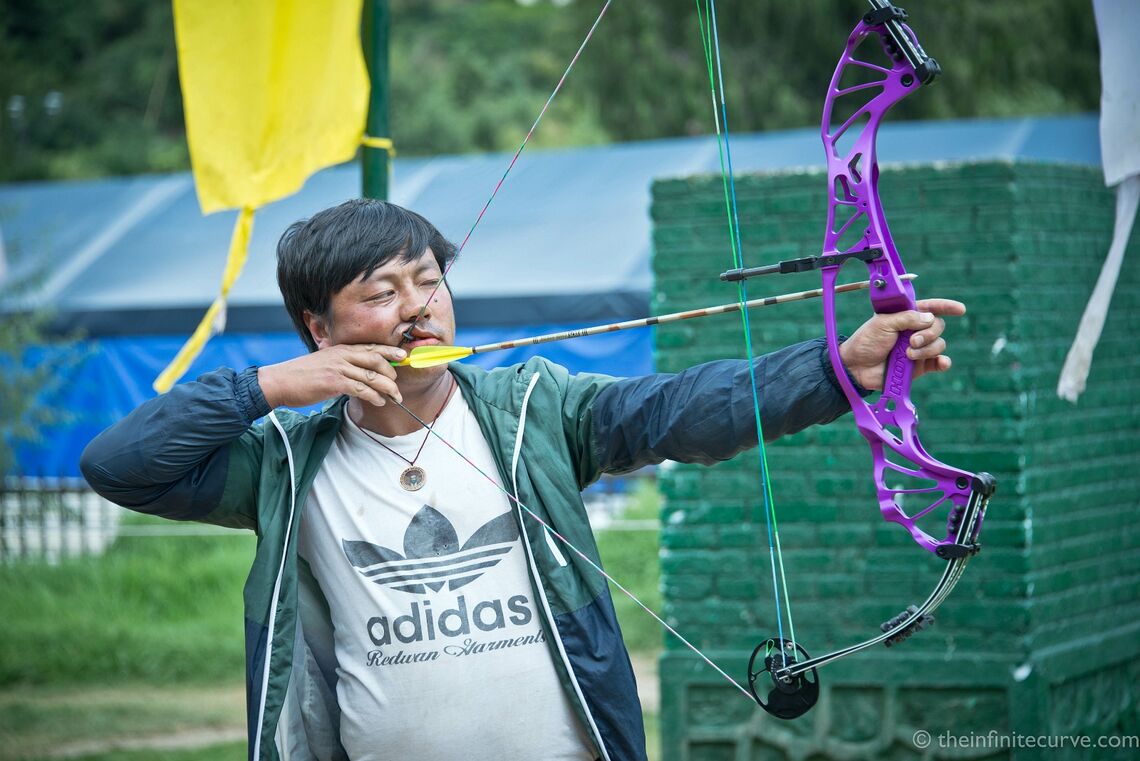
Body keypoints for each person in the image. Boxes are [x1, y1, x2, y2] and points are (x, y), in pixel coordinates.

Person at [81, 199, 963, 761]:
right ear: (320, 327)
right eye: (381, 293)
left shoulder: (535, 409)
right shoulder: (284, 461)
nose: (419, 307)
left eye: (429, 281)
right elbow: (118, 465)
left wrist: (839, 368)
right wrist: (266, 387)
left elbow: (679, 409)